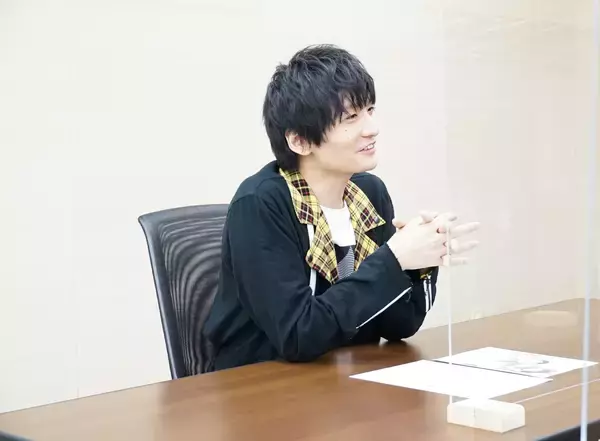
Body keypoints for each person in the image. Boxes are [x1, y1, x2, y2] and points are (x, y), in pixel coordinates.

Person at [203, 44, 479, 371]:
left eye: (370, 110)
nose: (371, 128)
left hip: (341, 379)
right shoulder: (261, 204)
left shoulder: (368, 194)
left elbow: (399, 325)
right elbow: (297, 335)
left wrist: (419, 260)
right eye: (350, 118)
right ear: (299, 140)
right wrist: (393, 259)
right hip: (261, 384)